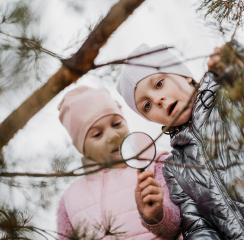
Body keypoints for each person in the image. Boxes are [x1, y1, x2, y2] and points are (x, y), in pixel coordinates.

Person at [116, 42, 244, 239]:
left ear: (185, 76)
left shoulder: (235, 96)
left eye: (159, 83)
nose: (157, 100)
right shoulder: (174, 169)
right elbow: (198, 228)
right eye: (146, 105)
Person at [56, 86, 182, 240]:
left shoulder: (156, 165)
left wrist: (157, 215)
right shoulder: (70, 200)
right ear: (83, 148)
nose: (113, 136)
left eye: (116, 124)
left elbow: (178, 227)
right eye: (97, 134)